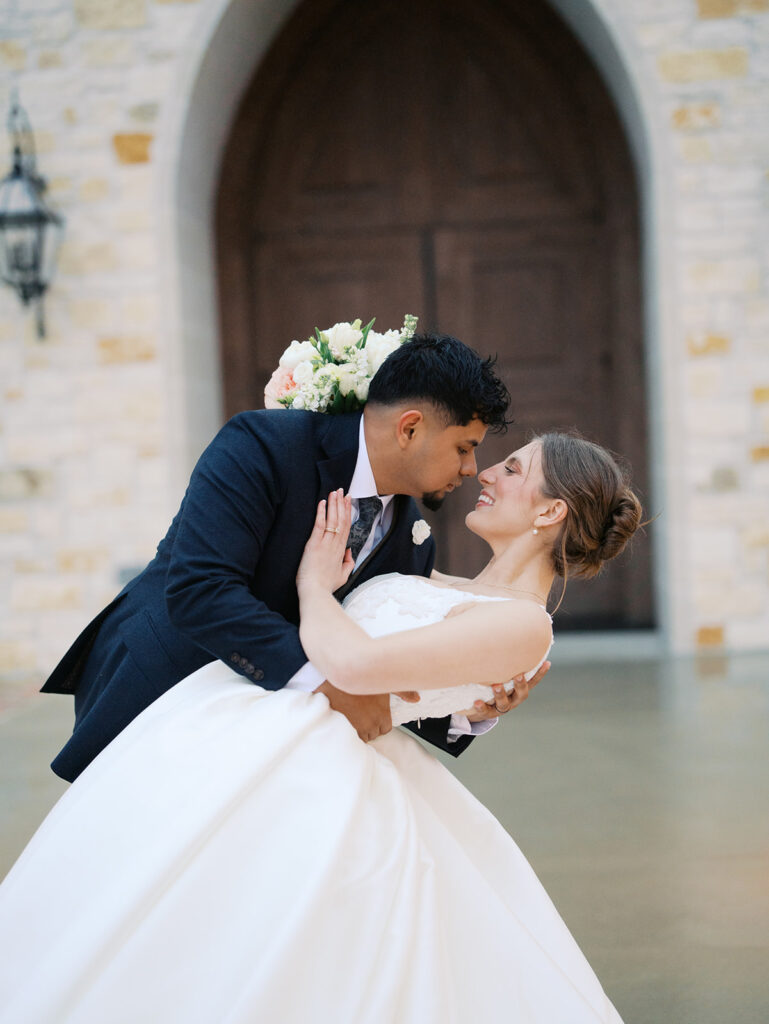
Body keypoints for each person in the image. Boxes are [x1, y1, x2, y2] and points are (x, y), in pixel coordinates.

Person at [0, 431, 641, 1023]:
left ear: (550, 512)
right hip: (263, 728)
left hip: (322, 765)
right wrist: (470, 709)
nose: (488, 471)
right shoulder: (438, 574)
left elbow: (357, 665)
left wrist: (314, 587)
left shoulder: (525, 623)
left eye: (514, 466)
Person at [42, 334, 548, 782]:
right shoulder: (262, 447)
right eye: (464, 447)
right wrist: (327, 684)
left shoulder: (413, 540)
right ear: (409, 428)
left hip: (266, 741)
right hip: (165, 688)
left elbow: (385, 679)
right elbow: (201, 590)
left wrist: (470, 708)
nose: (471, 468)